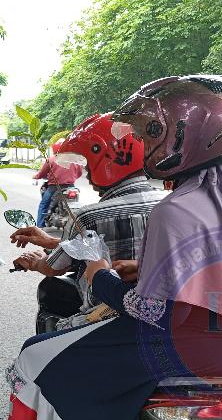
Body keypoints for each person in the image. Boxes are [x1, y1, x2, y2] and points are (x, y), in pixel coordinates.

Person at [0, 75, 222, 420]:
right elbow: (219, 271)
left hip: (177, 345)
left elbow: (153, 313)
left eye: (152, 133)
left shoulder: (177, 210)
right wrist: (146, 268)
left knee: (34, 355)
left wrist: (100, 275)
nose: (144, 143)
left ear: (187, 134)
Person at [11, 112, 165, 329]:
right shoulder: (172, 204)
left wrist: (35, 261)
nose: (87, 174)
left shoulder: (89, 217)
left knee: (31, 355)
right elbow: (92, 249)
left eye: (89, 164)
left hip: (100, 320)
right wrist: (50, 241)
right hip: (163, 317)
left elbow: (54, 268)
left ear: (105, 158)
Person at [32, 140, 83, 227]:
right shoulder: (74, 160)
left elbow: (42, 173)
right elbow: (79, 174)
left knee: (43, 205)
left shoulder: (51, 160)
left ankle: (40, 226)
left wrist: (36, 176)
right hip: (71, 187)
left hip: (54, 188)